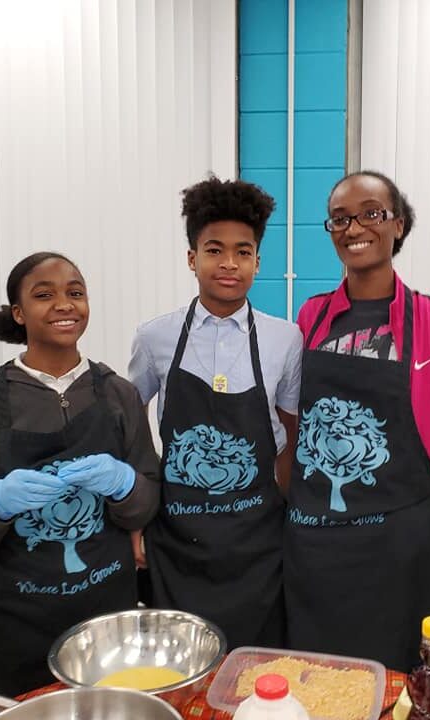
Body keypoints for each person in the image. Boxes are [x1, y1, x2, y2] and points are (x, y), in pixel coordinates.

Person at [283, 170, 430, 672]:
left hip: (401, 551)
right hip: (317, 543)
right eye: (340, 219)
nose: (354, 228)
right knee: (318, 680)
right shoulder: (310, 317)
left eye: (371, 213)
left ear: (399, 224)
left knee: (406, 684)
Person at [0, 252, 160, 696]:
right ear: (19, 313)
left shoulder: (118, 395)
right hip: (18, 622)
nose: (65, 304)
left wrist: (123, 485)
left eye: (75, 293)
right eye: (45, 295)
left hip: (106, 613)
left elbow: (148, 499)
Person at [128, 175, 302, 649]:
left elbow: (289, 433)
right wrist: (137, 516)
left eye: (243, 252)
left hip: (258, 541)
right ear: (192, 258)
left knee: (255, 673)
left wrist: (286, 516)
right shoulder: (154, 338)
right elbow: (130, 422)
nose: (229, 263)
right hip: (178, 538)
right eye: (214, 249)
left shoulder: (284, 338)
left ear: (257, 261)